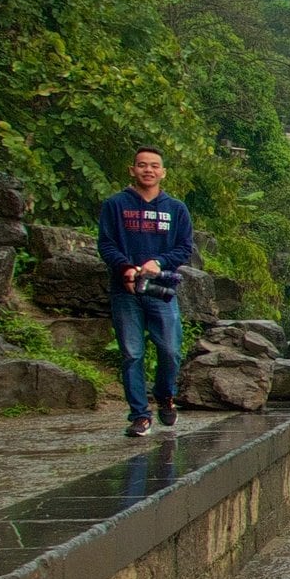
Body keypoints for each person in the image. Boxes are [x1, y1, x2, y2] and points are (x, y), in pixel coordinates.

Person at [96, 145, 195, 437]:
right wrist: (125, 267)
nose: (148, 170)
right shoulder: (115, 205)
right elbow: (106, 243)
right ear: (132, 170)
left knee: (170, 349)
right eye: (142, 165)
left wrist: (159, 261)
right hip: (125, 288)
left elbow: (184, 248)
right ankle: (140, 415)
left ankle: (165, 395)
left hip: (160, 287)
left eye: (154, 165)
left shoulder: (175, 209)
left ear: (163, 172)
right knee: (132, 353)